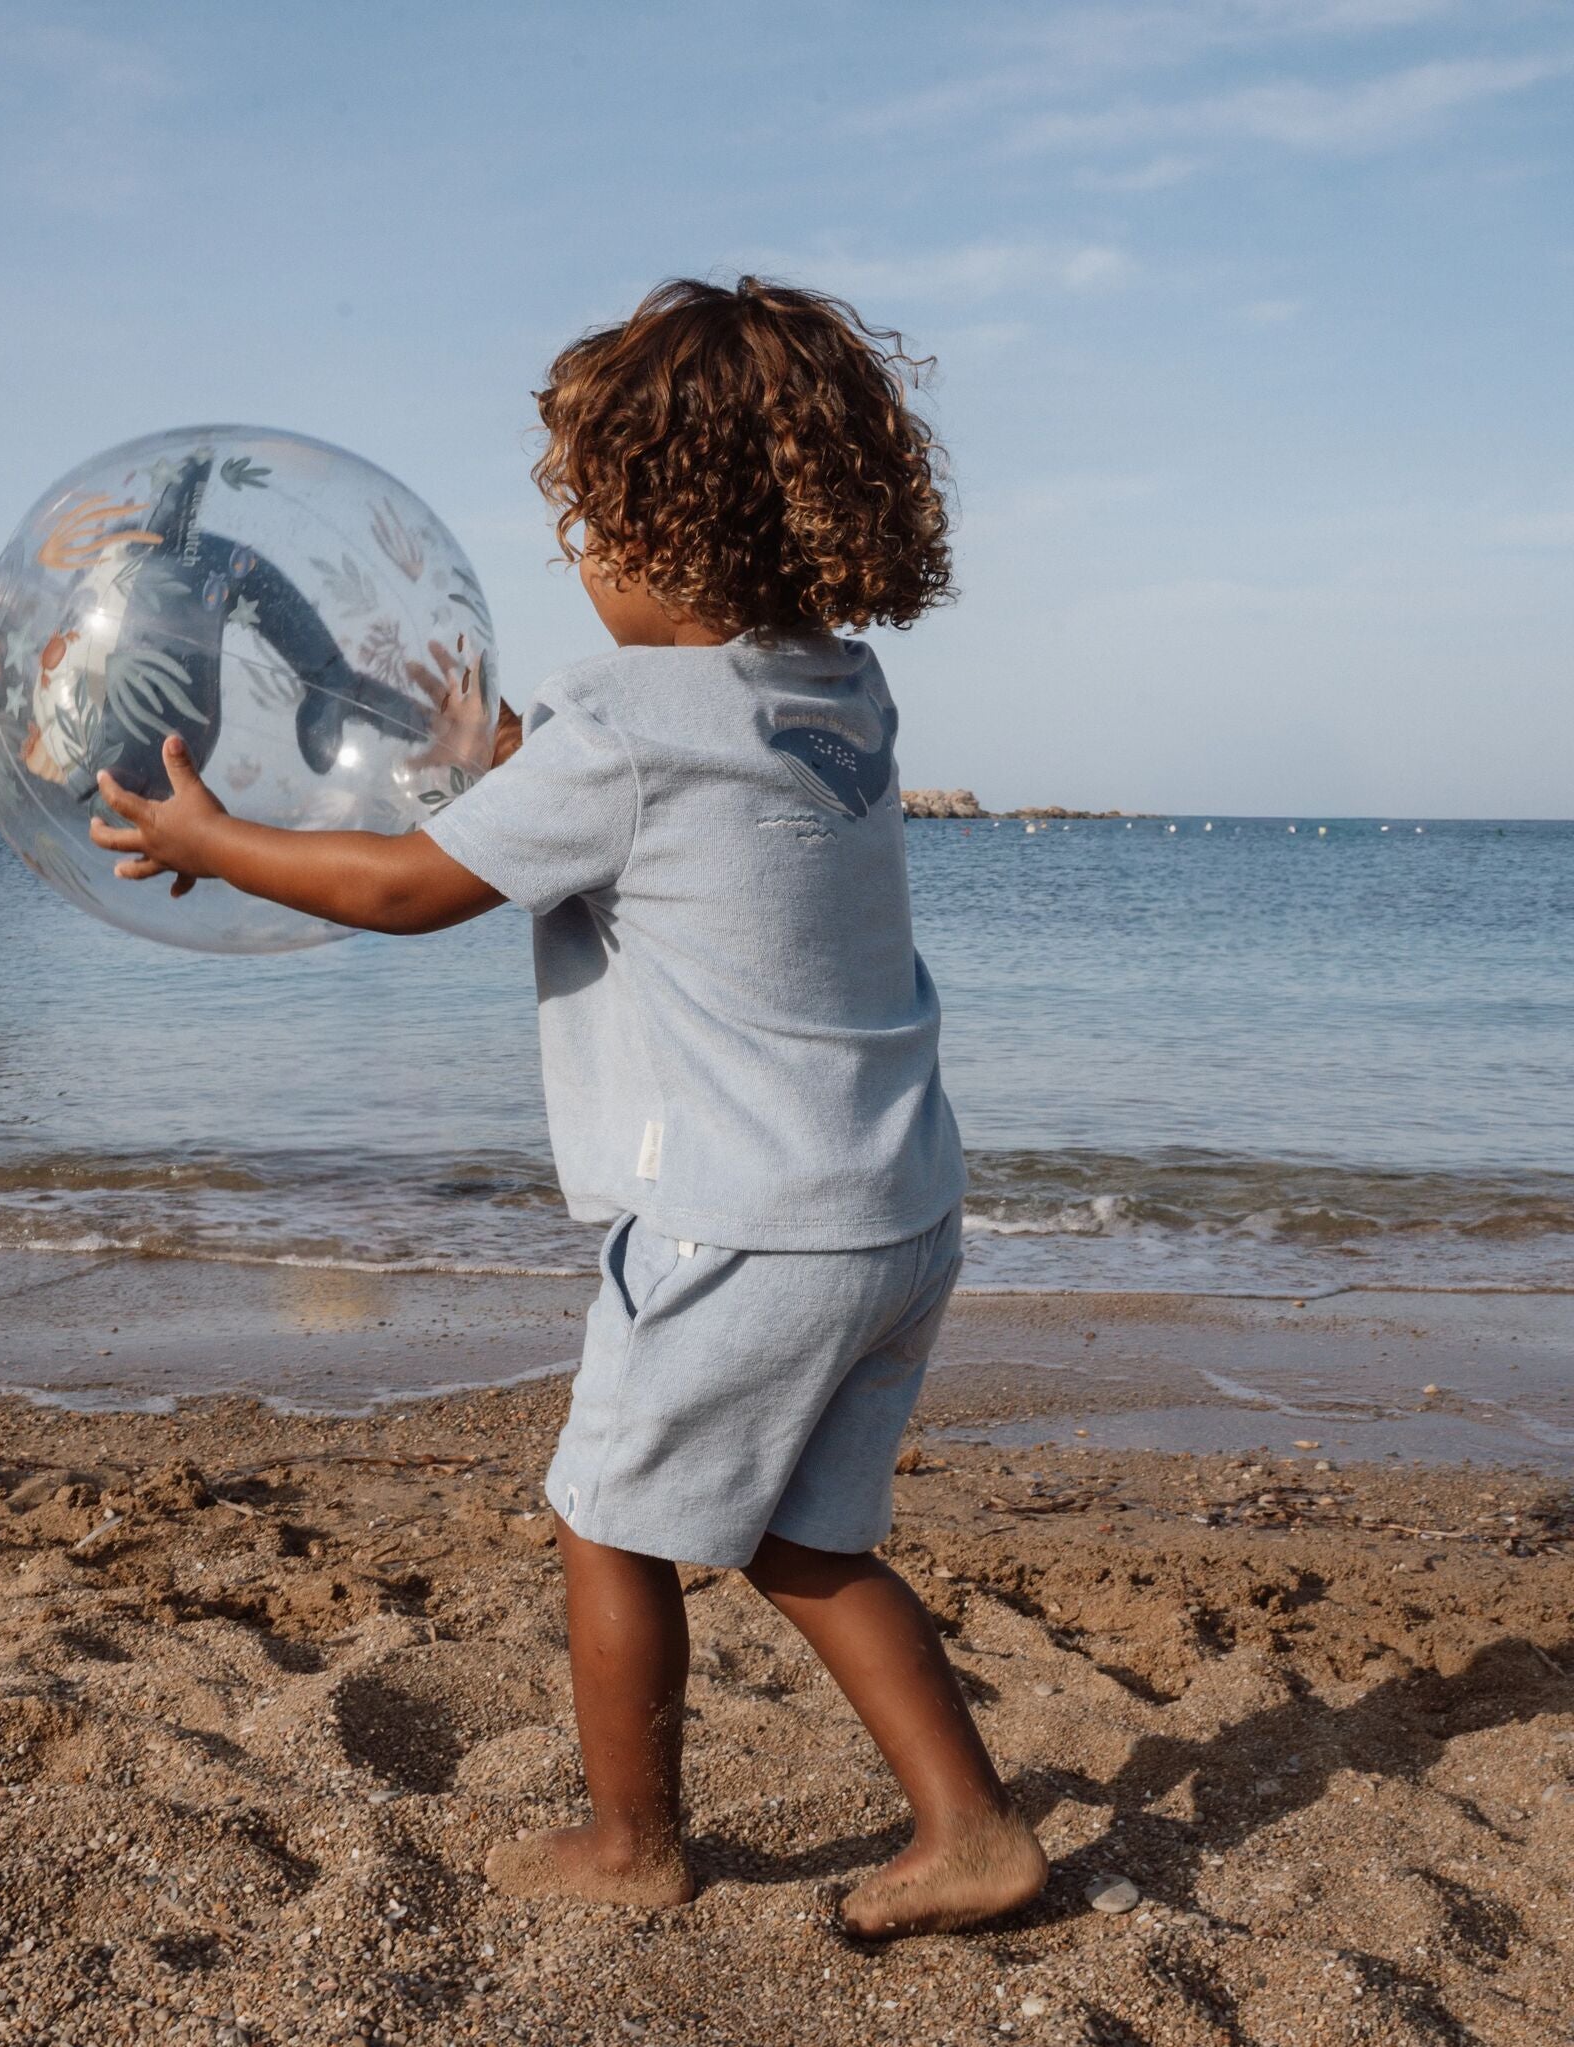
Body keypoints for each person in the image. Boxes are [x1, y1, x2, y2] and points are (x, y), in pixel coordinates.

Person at [88, 276, 1048, 1938]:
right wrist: (502, 755)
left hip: (737, 1228)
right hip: (891, 1212)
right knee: (806, 1542)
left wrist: (209, 840)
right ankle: (972, 1833)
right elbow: (672, 829)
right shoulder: (834, 696)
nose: (581, 560)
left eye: (596, 526)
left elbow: (402, 891)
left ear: (672, 535)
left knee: (604, 1522)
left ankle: (630, 1843)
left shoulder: (629, 722)